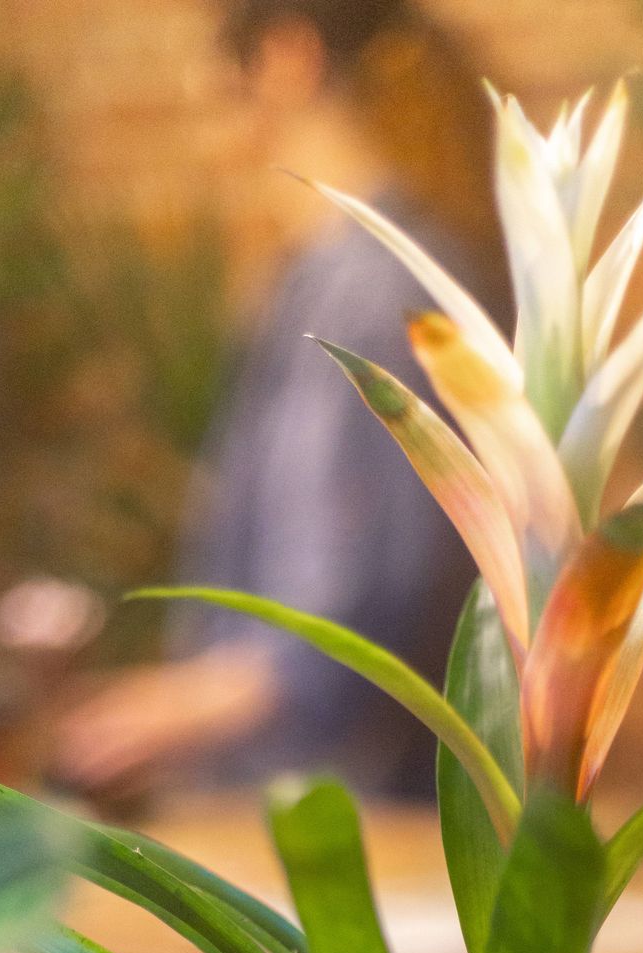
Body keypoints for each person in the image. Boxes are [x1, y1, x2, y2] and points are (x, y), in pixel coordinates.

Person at [58, 0, 492, 799]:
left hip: (356, 832)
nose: (197, 88)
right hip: (300, 812)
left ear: (288, 58)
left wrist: (174, 711)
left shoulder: (377, 288)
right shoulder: (325, 276)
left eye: (218, 60)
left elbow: (372, 616)